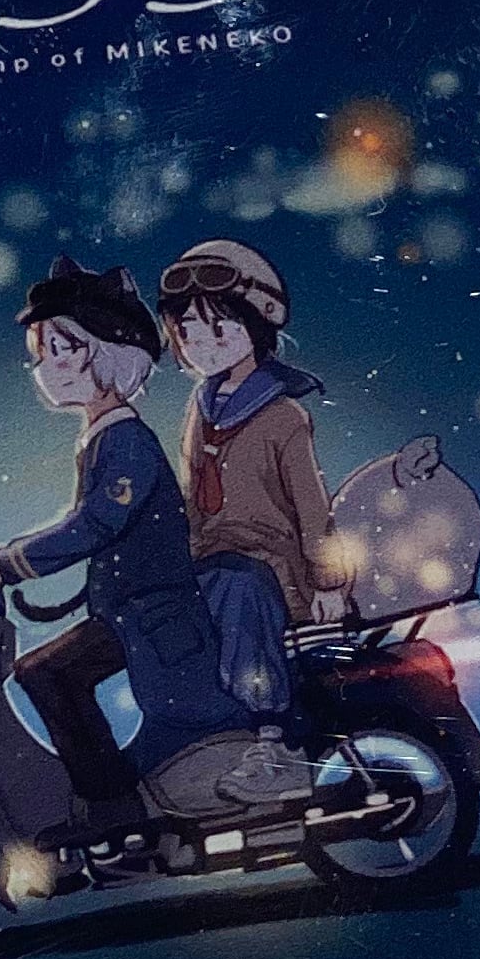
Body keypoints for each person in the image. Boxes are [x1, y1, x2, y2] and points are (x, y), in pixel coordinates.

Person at [0, 254, 252, 849]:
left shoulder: (126, 442)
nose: (48, 364)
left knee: (46, 673)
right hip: (130, 611)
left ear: (107, 352)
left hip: (155, 618)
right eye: (43, 350)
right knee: (46, 671)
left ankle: (115, 810)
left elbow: (97, 522)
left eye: (63, 347)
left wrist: (10, 561)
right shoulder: (101, 438)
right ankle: (112, 804)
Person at [160, 237, 349, 719]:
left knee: (237, 588)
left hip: (270, 568)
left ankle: (268, 730)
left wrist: (328, 583)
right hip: (210, 559)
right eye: (188, 330)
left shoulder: (283, 416)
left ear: (257, 324)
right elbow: (190, 493)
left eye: (219, 328)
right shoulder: (200, 407)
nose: (201, 344)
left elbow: (312, 508)